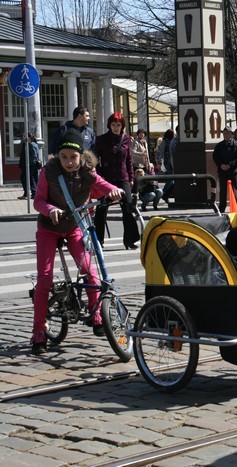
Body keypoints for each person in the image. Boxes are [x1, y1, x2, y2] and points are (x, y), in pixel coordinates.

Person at [30, 129, 125, 354]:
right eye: (64, 157)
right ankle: (38, 332)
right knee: (44, 279)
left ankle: (97, 317)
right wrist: (50, 209)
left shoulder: (87, 172)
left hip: (74, 227)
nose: (69, 162)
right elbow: (38, 201)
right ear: (57, 156)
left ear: (81, 156)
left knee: (89, 271)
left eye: (73, 157)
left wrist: (115, 191)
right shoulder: (48, 172)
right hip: (48, 230)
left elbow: (102, 185)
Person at [93, 112, 140, 249]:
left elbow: (129, 160)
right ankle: (98, 240)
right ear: (109, 125)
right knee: (102, 209)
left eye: (118, 125)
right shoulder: (101, 140)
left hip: (122, 177)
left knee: (129, 207)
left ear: (122, 126)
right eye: (113, 125)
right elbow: (95, 160)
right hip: (106, 179)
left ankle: (130, 240)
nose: (115, 127)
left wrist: (131, 178)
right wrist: (99, 177)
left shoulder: (126, 139)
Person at [213, 126, 237, 212]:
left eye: (227, 133)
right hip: (222, 171)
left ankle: (235, 206)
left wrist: (229, 165)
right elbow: (215, 157)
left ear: (231, 134)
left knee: (234, 190)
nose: (225, 135)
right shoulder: (219, 146)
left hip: (232, 171)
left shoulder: (235, 145)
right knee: (222, 190)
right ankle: (222, 207)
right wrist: (221, 165)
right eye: (224, 133)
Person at [18, 132, 39, 200]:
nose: (24, 138)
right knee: (29, 178)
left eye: (25, 136)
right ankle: (29, 193)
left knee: (29, 178)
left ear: (29, 137)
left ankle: (33, 193)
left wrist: (28, 164)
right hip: (29, 164)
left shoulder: (31, 144)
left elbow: (34, 156)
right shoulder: (29, 144)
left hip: (30, 165)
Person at [156, 128, 175, 202]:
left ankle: (165, 193)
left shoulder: (170, 141)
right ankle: (164, 192)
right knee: (170, 179)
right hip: (166, 162)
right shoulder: (165, 142)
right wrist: (161, 162)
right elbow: (161, 152)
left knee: (170, 179)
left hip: (169, 162)